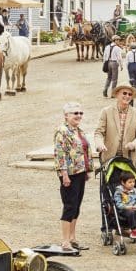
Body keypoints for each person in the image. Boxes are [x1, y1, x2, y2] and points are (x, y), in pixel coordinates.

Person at [54, 103, 92, 252]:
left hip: (80, 172)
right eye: (75, 113)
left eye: (81, 113)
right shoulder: (62, 131)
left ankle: (72, 238)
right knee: (69, 205)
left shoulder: (79, 131)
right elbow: (60, 154)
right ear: (66, 115)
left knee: (77, 206)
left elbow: (84, 151)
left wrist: (88, 170)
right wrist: (64, 174)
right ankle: (65, 241)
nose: (79, 116)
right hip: (69, 173)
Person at [94, 83, 136, 165]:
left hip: (128, 158)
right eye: (124, 93)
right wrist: (99, 144)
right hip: (109, 157)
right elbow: (99, 132)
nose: (127, 96)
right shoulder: (106, 111)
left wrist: (134, 144)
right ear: (117, 94)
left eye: (130, 94)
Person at [114, 171, 136, 239]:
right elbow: (118, 204)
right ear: (123, 182)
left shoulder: (135, 191)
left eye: (133, 182)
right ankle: (134, 230)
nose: (132, 184)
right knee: (131, 213)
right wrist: (127, 207)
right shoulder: (119, 192)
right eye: (130, 182)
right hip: (124, 210)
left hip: (134, 208)